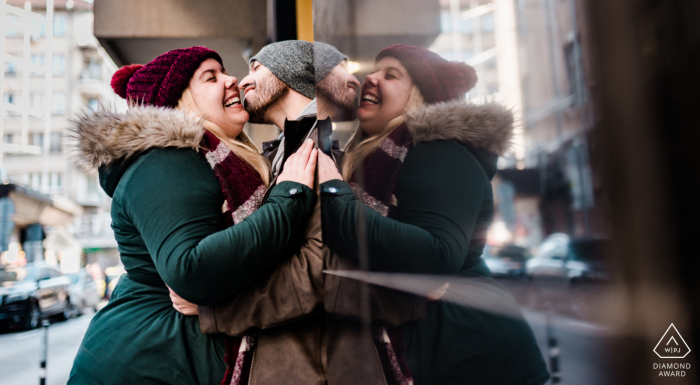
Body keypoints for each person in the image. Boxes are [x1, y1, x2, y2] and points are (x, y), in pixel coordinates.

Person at [171, 40, 425, 384]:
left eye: (256, 68)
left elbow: (321, 278)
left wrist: (212, 308)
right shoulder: (286, 151)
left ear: (295, 74)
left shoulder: (313, 151)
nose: (242, 82)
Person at [67, 46, 317, 385]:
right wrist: (290, 196)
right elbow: (190, 269)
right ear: (178, 103)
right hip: (141, 365)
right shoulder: (165, 161)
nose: (232, 80)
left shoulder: (214, 161)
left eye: (224, 71)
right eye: (211, 77)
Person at [318, 44, 551, 385]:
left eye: (391, 74)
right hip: (433, 354)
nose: (372, 78)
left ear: (421, 98)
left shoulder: (439, 153)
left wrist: (334, 197)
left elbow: (436, 255)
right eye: (376, 69)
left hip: (477, 358)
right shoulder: (377, 159)